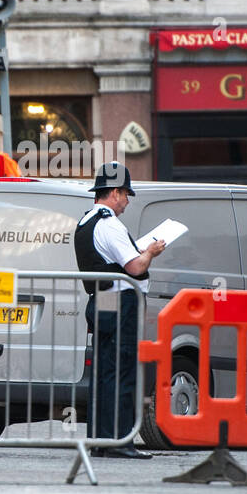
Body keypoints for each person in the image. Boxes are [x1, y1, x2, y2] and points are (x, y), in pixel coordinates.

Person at [74, 162, 165, 459]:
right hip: (119, 304)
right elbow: (135, 267)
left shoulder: (86, 220)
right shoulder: (109, 223)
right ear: (114, 192)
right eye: (126, 194)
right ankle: (120, 441)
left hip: (101, 302)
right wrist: (150, 252)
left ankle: (101, 440)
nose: (127, 201)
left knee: (103, 372)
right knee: (122, 371)